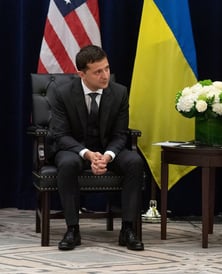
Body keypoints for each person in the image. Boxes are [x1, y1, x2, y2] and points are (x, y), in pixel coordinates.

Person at [50, 45, 144, 251]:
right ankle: (72, 229)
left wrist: (108, 156)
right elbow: (60, 135)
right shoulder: (62, 93)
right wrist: (88, 154)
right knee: (67, 163)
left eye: (107, 68)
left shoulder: (119, 93)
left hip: (108, 149)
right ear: (82, 74)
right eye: (98, 71)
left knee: (134, 162)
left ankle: (127, 229)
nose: (105, 75)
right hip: (74, 150)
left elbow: (120, 134)